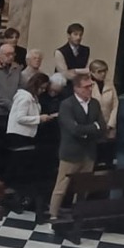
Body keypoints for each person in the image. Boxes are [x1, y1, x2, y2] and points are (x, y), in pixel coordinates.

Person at [48, 71, 106, 224]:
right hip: (71, 152)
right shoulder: (67, 105)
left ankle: (78, 211)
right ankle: (53, 214)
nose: (89, 89)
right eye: (86, 87)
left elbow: (102, 127)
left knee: (84, 185)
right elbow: (73, 129)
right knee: (62, 185)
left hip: (89, 152)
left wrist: (87, 130)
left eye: (91, 86)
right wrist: (91, 128)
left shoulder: (94, 104)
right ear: (77, 89)